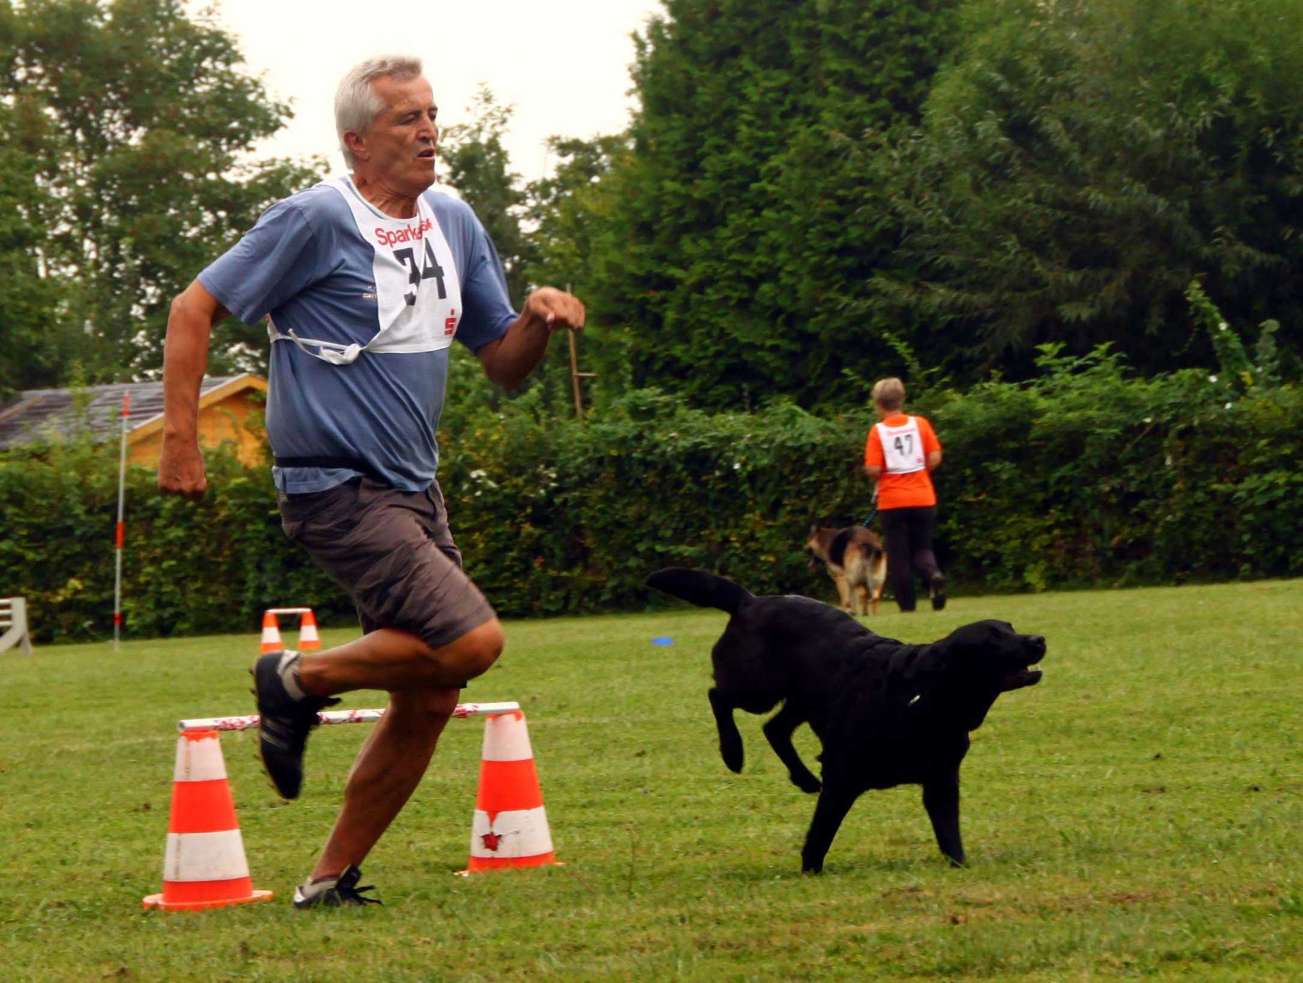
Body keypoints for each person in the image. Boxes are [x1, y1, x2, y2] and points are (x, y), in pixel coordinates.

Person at [157, 55, 584, 908]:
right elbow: (189, 308)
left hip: (414, 489)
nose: (429, 130)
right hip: (332, 485)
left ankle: (326, 879)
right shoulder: (315, 218)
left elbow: (501, 364)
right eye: (406, 119)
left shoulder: (455, 221)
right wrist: (181, 439)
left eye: (432, 114)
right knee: (474, 641)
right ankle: (295, 679)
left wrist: (535, 318)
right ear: (356, 141)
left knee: (431, 692)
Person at [862, 378, 946, 613]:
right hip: (923, 497)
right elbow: (935, 457)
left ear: (878, 403)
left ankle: (908, 607)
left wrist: (875, 473)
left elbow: (874, 469)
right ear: (901, 399)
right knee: (922, 547)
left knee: (899, 556)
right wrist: (919, 472)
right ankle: (933, 574)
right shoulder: (920, 424)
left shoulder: (878, 432)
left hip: (892, 501)